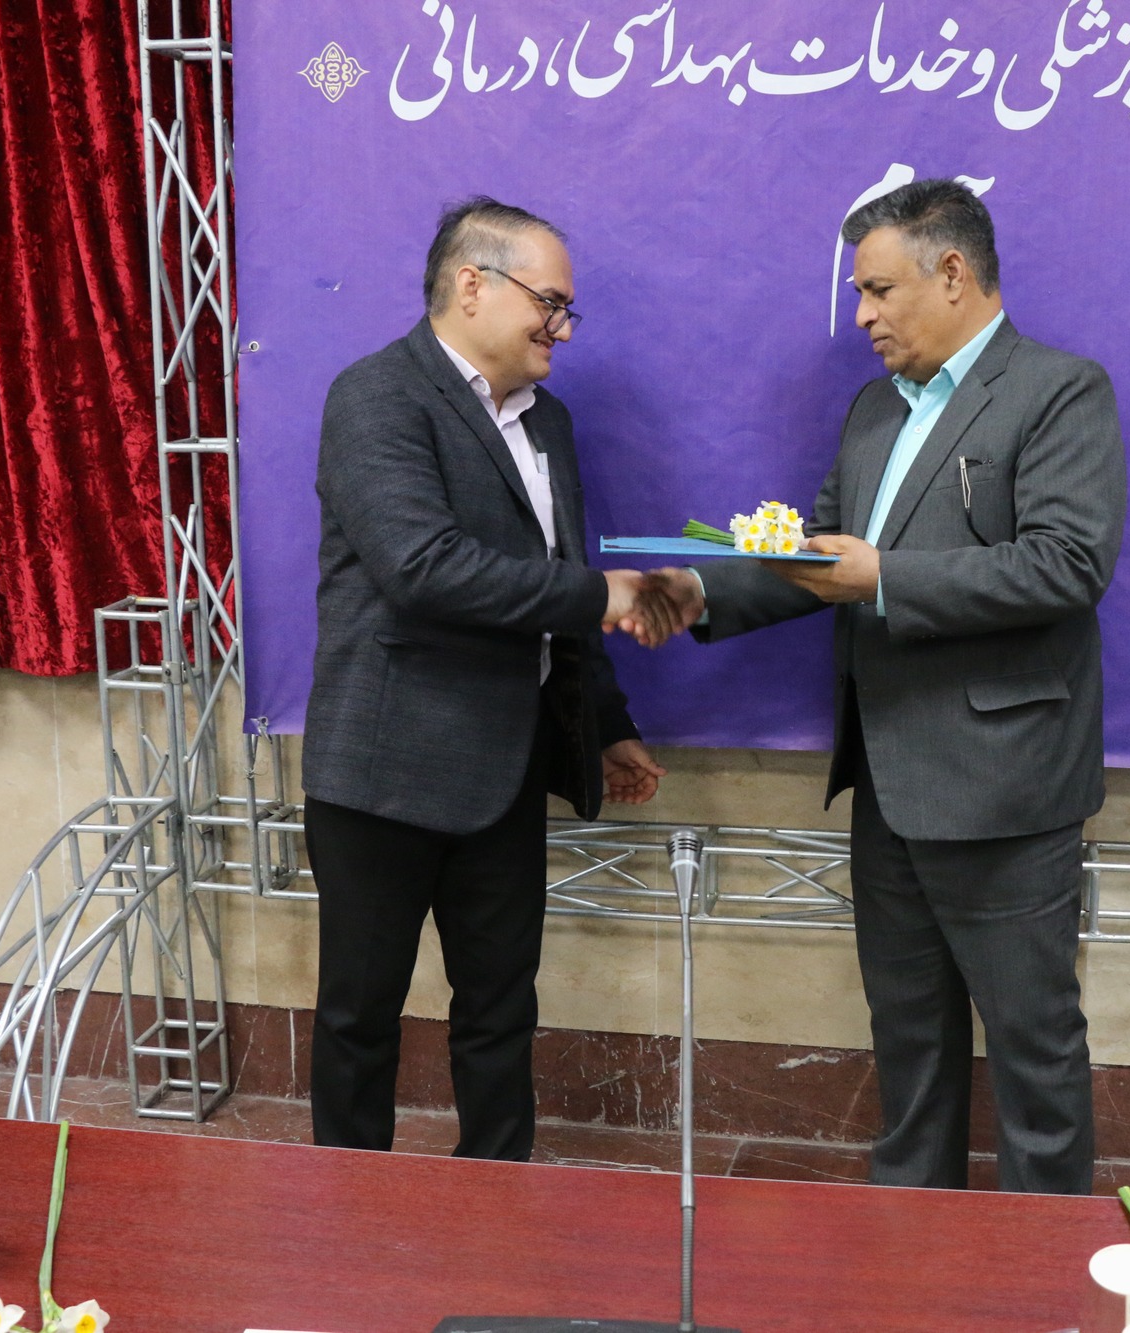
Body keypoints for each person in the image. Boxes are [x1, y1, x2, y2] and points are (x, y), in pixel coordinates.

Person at [628, 179, 1128, 1193]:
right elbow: (816, 558)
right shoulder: (873, 410)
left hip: (1003, 789)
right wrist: (698, 590)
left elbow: (1067, 564)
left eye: (877, 289)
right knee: (907, 1044)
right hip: (887, 784)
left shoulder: (1058, 391)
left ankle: (1039, 1258)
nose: (859, 315)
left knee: (1032, 1050)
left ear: (953, 273)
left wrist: (887, 577)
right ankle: (909, 1247)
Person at [302, 196, 670, 1160]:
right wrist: (600, 594)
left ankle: (499, 1204)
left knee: (502, 1012)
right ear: (473, 284)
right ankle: (349, 1210)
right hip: (383, 773)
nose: (562, 328)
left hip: (505, 768)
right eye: (550, 303)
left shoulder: (549, 424)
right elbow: (422, 568)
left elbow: (561, 578)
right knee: (358, 1017)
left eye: (566, 309)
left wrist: (606, 722)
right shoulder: (377, 396)